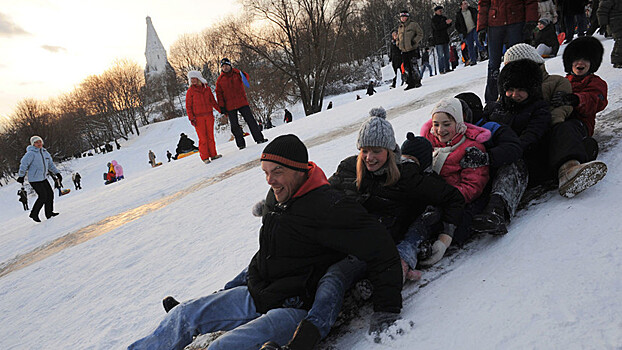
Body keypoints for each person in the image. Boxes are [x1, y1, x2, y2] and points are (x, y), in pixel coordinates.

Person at [128, 134, 403, 350]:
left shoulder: (330, 206)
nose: (270, 180)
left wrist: (387, 311)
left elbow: (382, 249)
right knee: (184, 316)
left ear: (298, 170)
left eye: (277, 171)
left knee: (223, 347)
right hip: (259, 292)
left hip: (293, 307)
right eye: (266, 172)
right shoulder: (278, 197)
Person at [261, 111, 464, 350]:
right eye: (364, 150)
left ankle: (301, 342)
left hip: (370, 249)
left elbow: (453, 198)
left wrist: (445, 237)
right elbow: (319, 195)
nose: (369, 157)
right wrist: (277, 206)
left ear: (389, 150)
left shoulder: (407, 178)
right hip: (335, 238)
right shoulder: (349, 168)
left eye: (376, 151)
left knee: (333, 279)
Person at [421, 97, 491, 244]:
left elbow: (473, 186)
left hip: (457, 202)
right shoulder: (429, 145)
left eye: (446, 124)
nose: (441, 130)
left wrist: (448, 198)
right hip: (434, 198)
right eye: (436, 125)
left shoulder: (471, 148)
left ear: (458, 124)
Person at [456, 92, 525, 235]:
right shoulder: (453, 133)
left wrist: (487, 158)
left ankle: (496, 210)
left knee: (514, 165)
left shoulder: (491, 128)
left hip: (494, 176)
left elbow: (514, 147)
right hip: (469, 185)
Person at [549, 36, 608, 197]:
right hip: (559, 122)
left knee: (566, 129)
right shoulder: (562, 81)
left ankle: (569, 170)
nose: (580, 63)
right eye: (576, 59)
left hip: (579, 124)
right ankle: (583, 150)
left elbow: (597, 100)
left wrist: (576, 100)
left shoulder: (596, 82)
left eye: (585, 60)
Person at [477, 0, 539, 103]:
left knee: (516, 61)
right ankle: (491, 101)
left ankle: (519, 95)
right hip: (495, 22)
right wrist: (481, 26)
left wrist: (531, 19)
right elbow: (483, 4)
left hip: (516, 20)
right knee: (493, 65)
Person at [215, 58, 268, 150]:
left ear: (230, 65)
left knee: (251, 121)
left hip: (242, 102)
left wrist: (240, 72)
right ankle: (241, 144)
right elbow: (219, 94)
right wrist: (222, 107)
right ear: (221, 68)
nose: (225, 68)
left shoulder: (237, 73)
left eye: (227, 65)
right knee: (234, 126)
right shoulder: (220, 80)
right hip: (230, 106)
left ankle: (259, 138)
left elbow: (246, 78)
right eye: (223, 66)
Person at [17, 136, 61, 222]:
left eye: (40, 141)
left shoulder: (45, 153)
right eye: (36, 142)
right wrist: (21, 176)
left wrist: (57, 173)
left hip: (43, 178)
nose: (39, 143)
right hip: (34, 179)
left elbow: (50, 165)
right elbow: (23, 164)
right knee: (43, 196)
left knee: (50, 194)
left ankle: (49, 213)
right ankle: (34, 214)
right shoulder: (30, 154)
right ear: (33, 144)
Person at [186, 70, 223, 164]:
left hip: (209, 115)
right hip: (198, 118)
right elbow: (188, 106)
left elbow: (212, 101)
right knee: (203, 138)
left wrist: (221, 110)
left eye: (194, 78)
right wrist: (191, 118)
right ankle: (205, 157)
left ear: (199, 78)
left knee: (210, 136)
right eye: (191, 79)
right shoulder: (190, 91)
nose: (193, 80)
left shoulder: (207, 89)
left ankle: (213, 154)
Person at [397, 10, 424, 89]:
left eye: (404, 17)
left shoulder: (413, 25)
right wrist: (398, 44)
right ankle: (410, 83)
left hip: (412, 49)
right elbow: (399, 37)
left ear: (407, 17)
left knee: (414, 66)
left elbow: (420, 34)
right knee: (406, 68)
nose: (403, 18)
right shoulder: (400, 27)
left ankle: (417, 81)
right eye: (401, 17)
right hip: (404, 50)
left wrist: (414, 41)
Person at [455, 0, 484, 66]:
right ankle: (473, 60)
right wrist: (461, 31)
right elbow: (457, 25)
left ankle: (482, 52)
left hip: (474, 28)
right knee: (470, 46)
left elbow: (478, 16)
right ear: (461, 5)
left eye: (466, 3)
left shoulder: (472, 10)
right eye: (464, 4)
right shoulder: (459, 14)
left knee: (477, 40)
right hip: (467, 32)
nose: (466, 5)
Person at [597, 0, 622, 68]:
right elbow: (602, 10)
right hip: (615, 21)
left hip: (617, 20)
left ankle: (617, 58)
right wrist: (603, 24)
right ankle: (617, 61)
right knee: (620, 40)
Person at [431, 5, 453, 74]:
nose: (441, 11)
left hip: (445, 38)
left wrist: (449, 23)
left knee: (447, 55)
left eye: (441, 10)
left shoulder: (444, 18)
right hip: (438, 40)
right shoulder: (434, 19)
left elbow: (447, 27)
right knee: (440, 56)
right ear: (436, 11)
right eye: (439, 10)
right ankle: (441, 69)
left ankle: (447, 68)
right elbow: (437, 27)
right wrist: (445, 23)